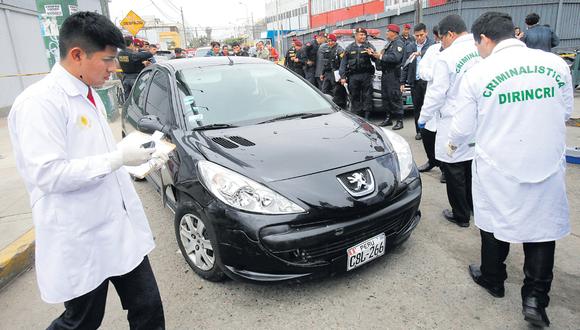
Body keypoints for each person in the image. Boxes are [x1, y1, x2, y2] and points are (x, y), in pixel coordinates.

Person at [7, 12, 165, 329]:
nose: (113, 68)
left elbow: (96, 156)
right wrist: (118, 158)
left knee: (148, 307)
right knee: (82, 321)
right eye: (107, 60)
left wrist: (139, 162)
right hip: (81, 236)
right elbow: (48, 174)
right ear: (77, 54)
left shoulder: (88, 92)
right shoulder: (40, 103)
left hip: (118, 228)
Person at [448, 11, 572, 328]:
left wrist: (452, 143)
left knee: (494, 221)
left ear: (485, 39)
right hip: (545, 163)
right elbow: (566, 110)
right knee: (542, 229)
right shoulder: (556, 64)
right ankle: (534, 300)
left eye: (479, 45)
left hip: (498, 164)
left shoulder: (478, 73)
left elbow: (462, 129)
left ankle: (493, 279)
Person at [417, 14, 481, 228]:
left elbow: (437, 93)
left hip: (453, 120)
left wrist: (424, 117)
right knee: (472, 164)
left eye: (442, 38)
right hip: (479, 119)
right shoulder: (481, 48)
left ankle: (460, 214)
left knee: (453, 167)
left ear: (450, 34)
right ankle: (473, 207)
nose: (441, 43)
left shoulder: (448, 56)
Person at [417, 25, 445, 183]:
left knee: (443, 137)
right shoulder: (433, 50)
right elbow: (422, 70)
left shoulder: (455, 53)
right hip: (432, 97)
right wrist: (435, 74)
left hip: (447, 102)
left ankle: (445, 168)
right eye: (437, 37)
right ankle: (432, 161)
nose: (439, 40)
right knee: (428, 134)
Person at [400, 23, 434, 139]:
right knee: (417, 107)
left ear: (426, 33)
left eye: (421, 35)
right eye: (417, 36)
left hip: (428, 82)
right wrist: (402, 82)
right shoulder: (409, 46)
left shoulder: (431, 45)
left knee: (429, 106)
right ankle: (419, 131)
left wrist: (421, 53)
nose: (419, 38)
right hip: (415, 81)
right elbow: (405, 65)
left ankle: (430, 131)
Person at [339, 28, 376, 117]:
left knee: (367, 96)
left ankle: (367, 116)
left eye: (364, 35)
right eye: (361, 35)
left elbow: (376, 59)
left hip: (366, 75)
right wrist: (343, 77)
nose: (363, 37)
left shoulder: (369, 46)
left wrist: (372, 54)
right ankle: (357, 115)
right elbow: (343, 63)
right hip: (353, 76)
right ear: (356, 36)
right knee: (354, 95)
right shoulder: (349, 47)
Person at [374, 24, 405, 129]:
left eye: (388, 31)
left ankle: (399, 120)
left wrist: (381, 56)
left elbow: (395, 58)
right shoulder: (389, 44)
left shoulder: (398, 43)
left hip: (394, 74)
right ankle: (388, 118)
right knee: (386, 97)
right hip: (386, 74)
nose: (386, 33)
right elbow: (383, 57)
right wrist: (376, 56)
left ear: (394, 33)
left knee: (395, 96)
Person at [117, 36, 153, 100]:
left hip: (125, 78)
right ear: (131, 44)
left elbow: (131, 61)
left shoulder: (120, 54)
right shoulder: (130, 54)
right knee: (139, 98)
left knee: (128, 98)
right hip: (135, 78)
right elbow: (138, 56)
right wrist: (150, 53)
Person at [319, 34, 347, 109]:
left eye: (331, 41)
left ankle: (339, 107)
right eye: (328, 41)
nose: (330, 43)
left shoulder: (339, 50)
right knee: (324, 90)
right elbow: (325, 63)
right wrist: (322, 73)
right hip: (327, 73)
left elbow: (343, 63)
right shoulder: (327, 49)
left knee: (337, 92)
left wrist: (342, 76)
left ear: (335, 41)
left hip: (336, 74)